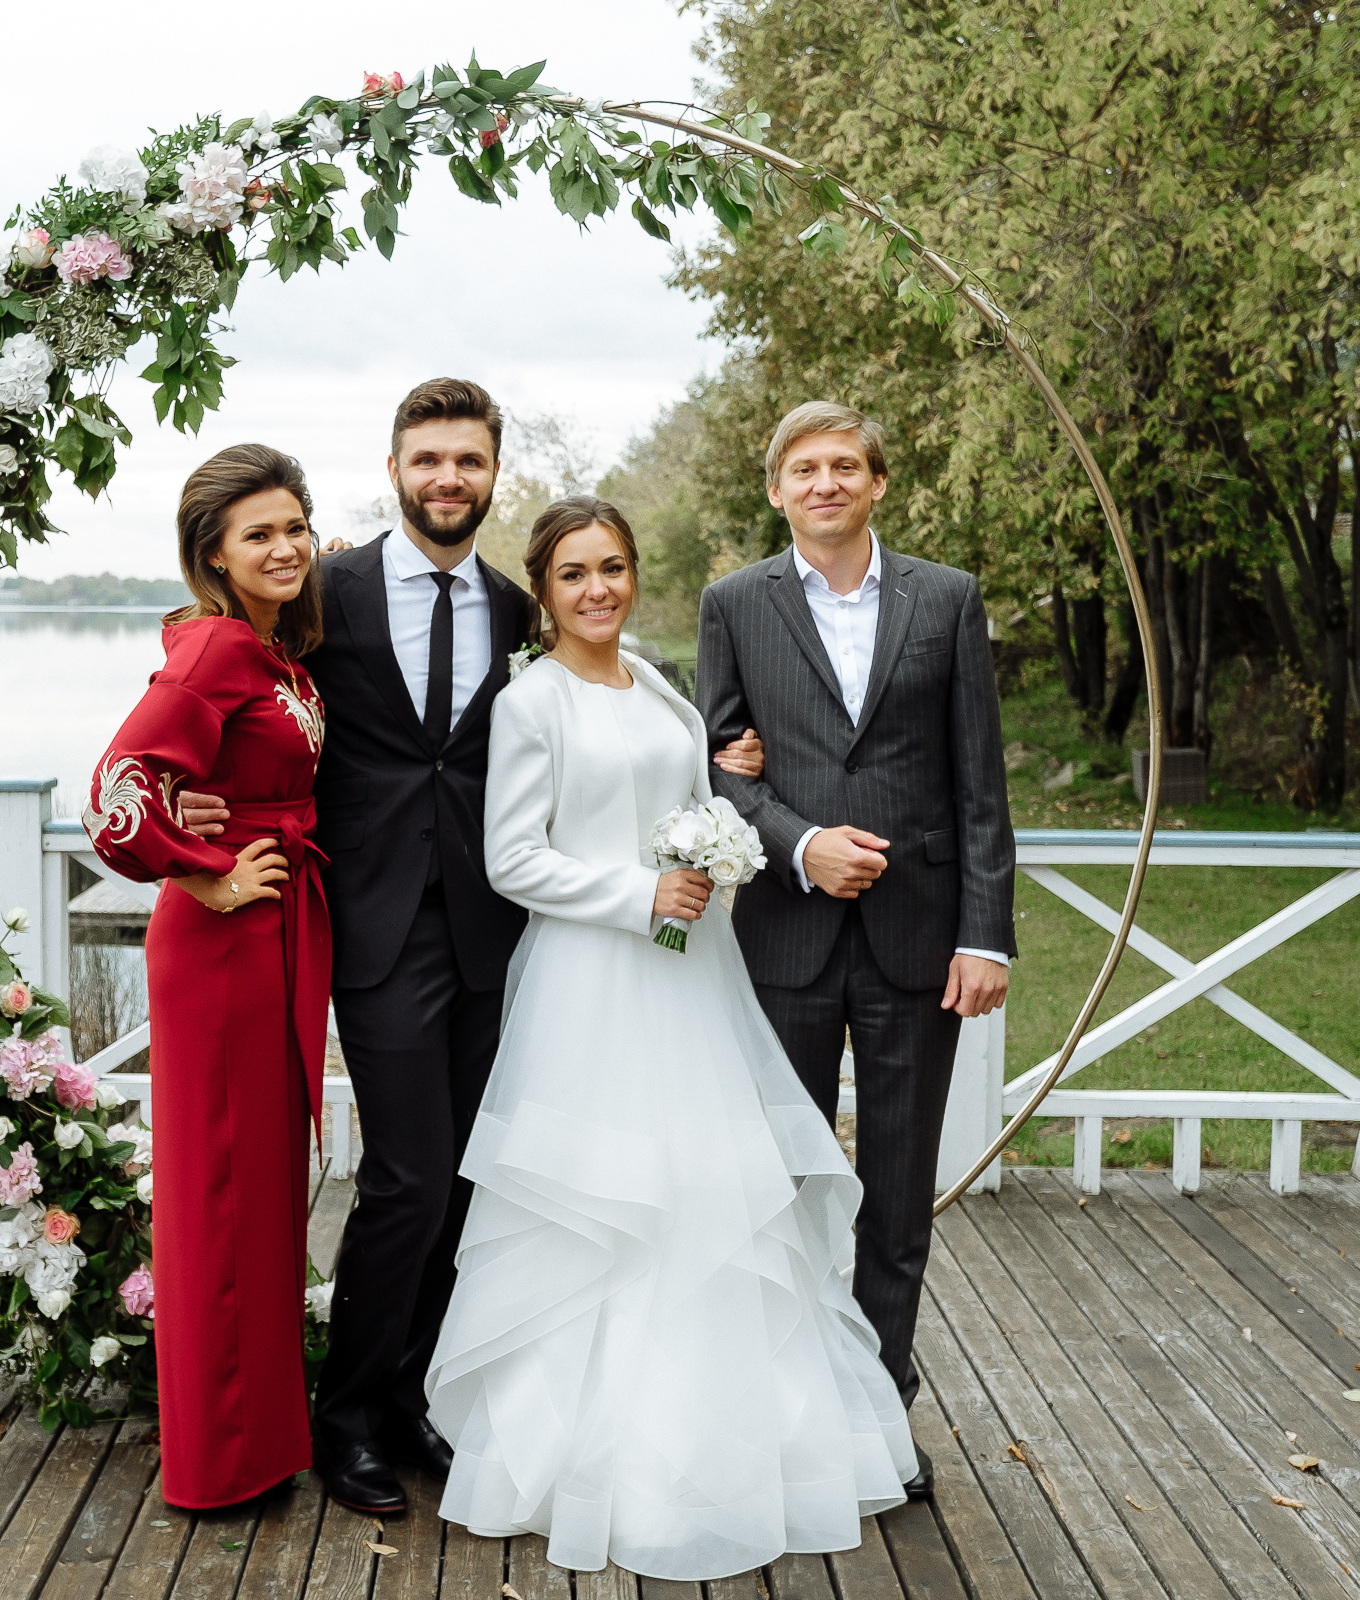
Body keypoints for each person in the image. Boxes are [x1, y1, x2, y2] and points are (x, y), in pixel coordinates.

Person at [175, 382, 766, 1517]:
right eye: (430, 457)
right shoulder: (322, 586)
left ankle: (417, 1397)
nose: (450, 477)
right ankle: (342, 1417)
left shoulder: (512, 609)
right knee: (402, 1174)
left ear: (495, 474)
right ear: (396, 465)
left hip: (507, 938)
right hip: (379, 923)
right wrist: (193, 798)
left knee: (470, 1173)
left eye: (471, 460)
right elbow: (224, 669)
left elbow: (598, 715)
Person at [426, 496, 913, 1577]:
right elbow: (515, 859)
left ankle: (741, 1440)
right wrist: (635, 894)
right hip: (593, 977)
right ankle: (584, 1461)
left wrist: (723, 806)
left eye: (613, 567)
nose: (598, 589)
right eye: (573, 575)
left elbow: (693, 794)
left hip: (693, 976)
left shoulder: (653, 680)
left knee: (710, 1197)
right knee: (604, 1211)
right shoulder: (531, 702)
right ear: (543, 593)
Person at [697, 401, 1016, 1499]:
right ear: (776, 488)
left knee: (894, 1194)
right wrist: (800, 844)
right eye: (804, 467)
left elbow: (980, 780)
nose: (825, 481)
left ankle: (879, 1418)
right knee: (783, 1185)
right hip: (782, 937)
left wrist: (987, 934)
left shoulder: (947, 599)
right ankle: (787, 1411)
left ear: (878, 482)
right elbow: (719, 769)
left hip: (919, 943)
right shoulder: (734, 603)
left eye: (845, 465)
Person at [83, 443, 330, 1511]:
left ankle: (263, 1439)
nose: (283, 547)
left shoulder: (276, 654)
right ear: (214, 555)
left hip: (273, 931)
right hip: (223, 942)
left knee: (260, 1188)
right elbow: (116, 788)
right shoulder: (216, 651)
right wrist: (206, 872)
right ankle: (219, 1462)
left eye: (294, 527)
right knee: (222, 1190)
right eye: (257, 534)